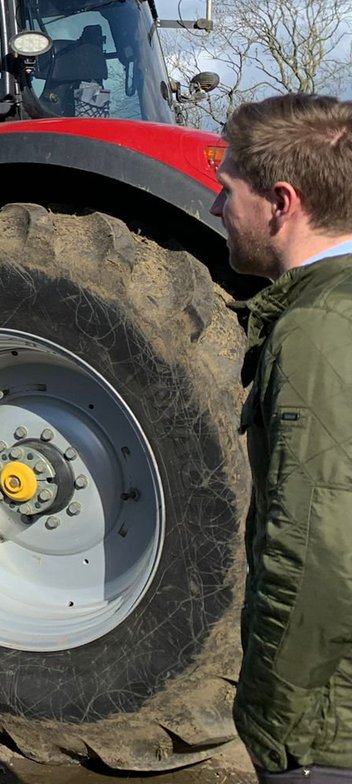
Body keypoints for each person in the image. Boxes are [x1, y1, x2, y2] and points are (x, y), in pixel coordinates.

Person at [210, 93, 352, 781]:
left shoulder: (316, 333)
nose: (216, 210)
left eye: (227, 189)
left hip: (326, 734)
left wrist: (274, 719)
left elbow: (319, 551)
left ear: (281, 202)